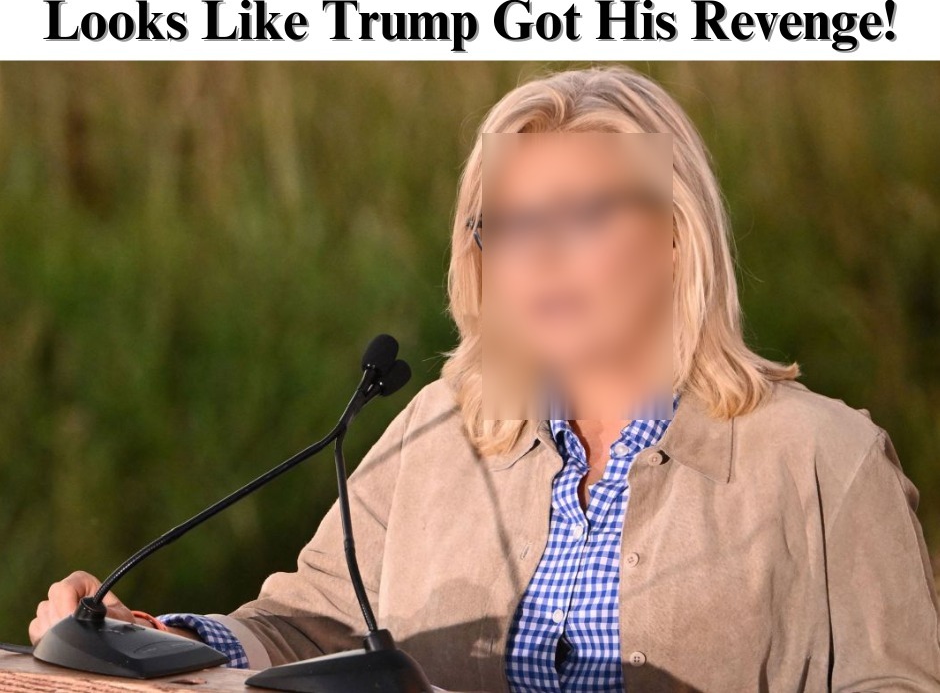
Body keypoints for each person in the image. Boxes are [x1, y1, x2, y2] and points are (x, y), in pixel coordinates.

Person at [30, 67, 940, 691]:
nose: (540, 256)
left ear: (675, 234)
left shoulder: (826, 459)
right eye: (508, 225)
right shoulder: (436, 430)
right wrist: (156, 639)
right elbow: (310, 627)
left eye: (583, 216)